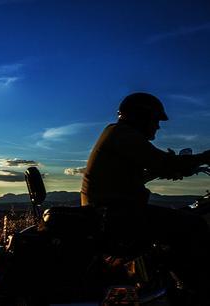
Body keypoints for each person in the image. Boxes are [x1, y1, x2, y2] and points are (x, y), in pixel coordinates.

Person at [81, 92, 210, 305]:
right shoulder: (124, 134)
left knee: (179, 225)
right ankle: (196, 293)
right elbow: (161, 161)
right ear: (142, 116)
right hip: (116, 216)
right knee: (194, 225)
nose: (157, 127)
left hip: (109, 214)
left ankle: (169, 286)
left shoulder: (116, 133)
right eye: (156, 120)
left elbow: (148, 169)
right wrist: (204, 157)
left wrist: (175, 168)